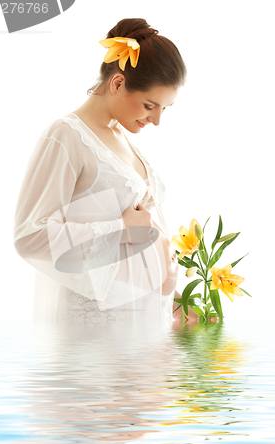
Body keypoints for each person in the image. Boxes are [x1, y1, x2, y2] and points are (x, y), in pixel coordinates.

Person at [13, 18, 204, 326]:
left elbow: (141, 243)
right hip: (95, 332)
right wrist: (120, 230)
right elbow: (30, 235)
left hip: (141, 327)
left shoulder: (121, 136)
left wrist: (176, 299)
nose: (156, 120)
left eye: (164, 109)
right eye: (149, 106)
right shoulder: (66, 136)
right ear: (117, 83)